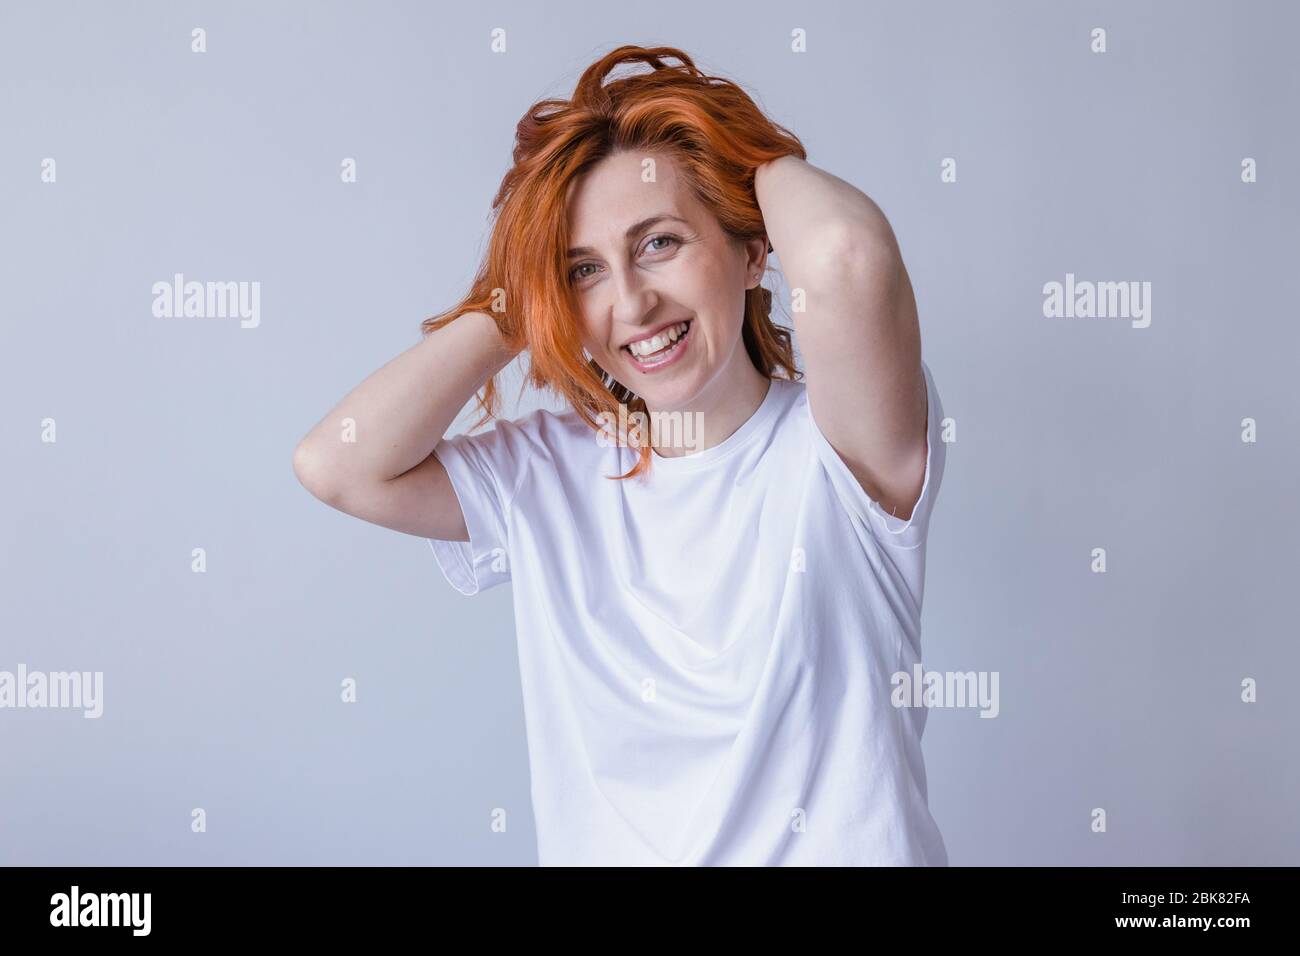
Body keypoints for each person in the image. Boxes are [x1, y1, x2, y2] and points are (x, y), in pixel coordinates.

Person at [293, 45, 949, 866]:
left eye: (660, 243)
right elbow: (337, 464)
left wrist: (734, 152)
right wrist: (520, 293)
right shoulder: (545, 475)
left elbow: (846, 256)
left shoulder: (838, 447)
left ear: (751, 252)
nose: (632, 303)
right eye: (585, 271)